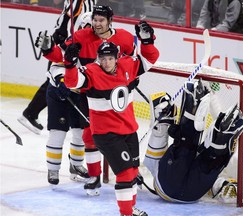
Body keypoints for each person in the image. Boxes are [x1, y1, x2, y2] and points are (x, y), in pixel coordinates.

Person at [34, 5, 137, 196]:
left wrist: (130, 76)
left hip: (112, 94)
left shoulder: (123, 37)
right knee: (85, 135)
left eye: (100, 21)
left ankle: (130, 171)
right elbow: (61, 57)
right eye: (93, 21)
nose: (95, 25)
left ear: (109, 21)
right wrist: (49, 50)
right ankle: (92, 176)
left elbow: (135, 58)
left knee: (123, 131)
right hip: (86, 92)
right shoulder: (81, 37)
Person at [63, 21, 158, 216]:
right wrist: (70, 64)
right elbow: (72, 82)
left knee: (132, 172)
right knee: (123, 174)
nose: (106, 62)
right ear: (98, 59)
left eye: (109, 59)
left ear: (117, 58)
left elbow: (150, 59)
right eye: (102, 58)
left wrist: (147, 40)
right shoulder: (91, 72)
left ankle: (130, 209)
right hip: (107, 135)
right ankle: (126, 213)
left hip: (129, 131)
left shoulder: (127, 65)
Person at [140, 79, 243, 203]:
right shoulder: (156, 168)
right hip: (192, 192)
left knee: (188, 147)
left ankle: (195, 118)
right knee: (208, 160)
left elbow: (154, 153)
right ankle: (215, 137)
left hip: (174, 187)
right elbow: (153, 156)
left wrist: (163, 124)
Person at [18, 0, 96, 135]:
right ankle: (30, 113)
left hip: (68, 40)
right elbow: (71, 15)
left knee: (58, 81)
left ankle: (30, 113)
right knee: (55, 81)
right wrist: (65, 41)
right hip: (67, 43)